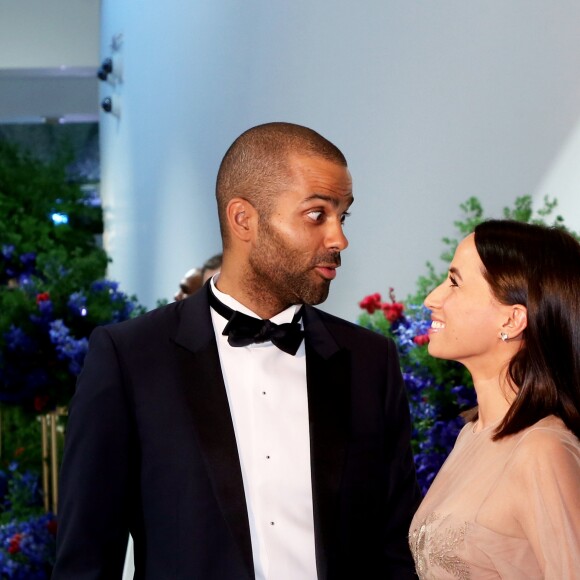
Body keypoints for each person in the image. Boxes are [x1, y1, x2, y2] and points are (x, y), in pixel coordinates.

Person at [53, 122, 421, 579]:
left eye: (342, 217)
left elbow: (395, 546)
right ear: (243, 218)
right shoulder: (130, 358)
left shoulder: (370, 361)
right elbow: (87, 555)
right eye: (316, 215)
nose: (338, 239)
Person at [409, 219, 580, 579]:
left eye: (454, 282)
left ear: (513, 318)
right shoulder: (470, 435)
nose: (432, 299)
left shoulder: (543, 450)